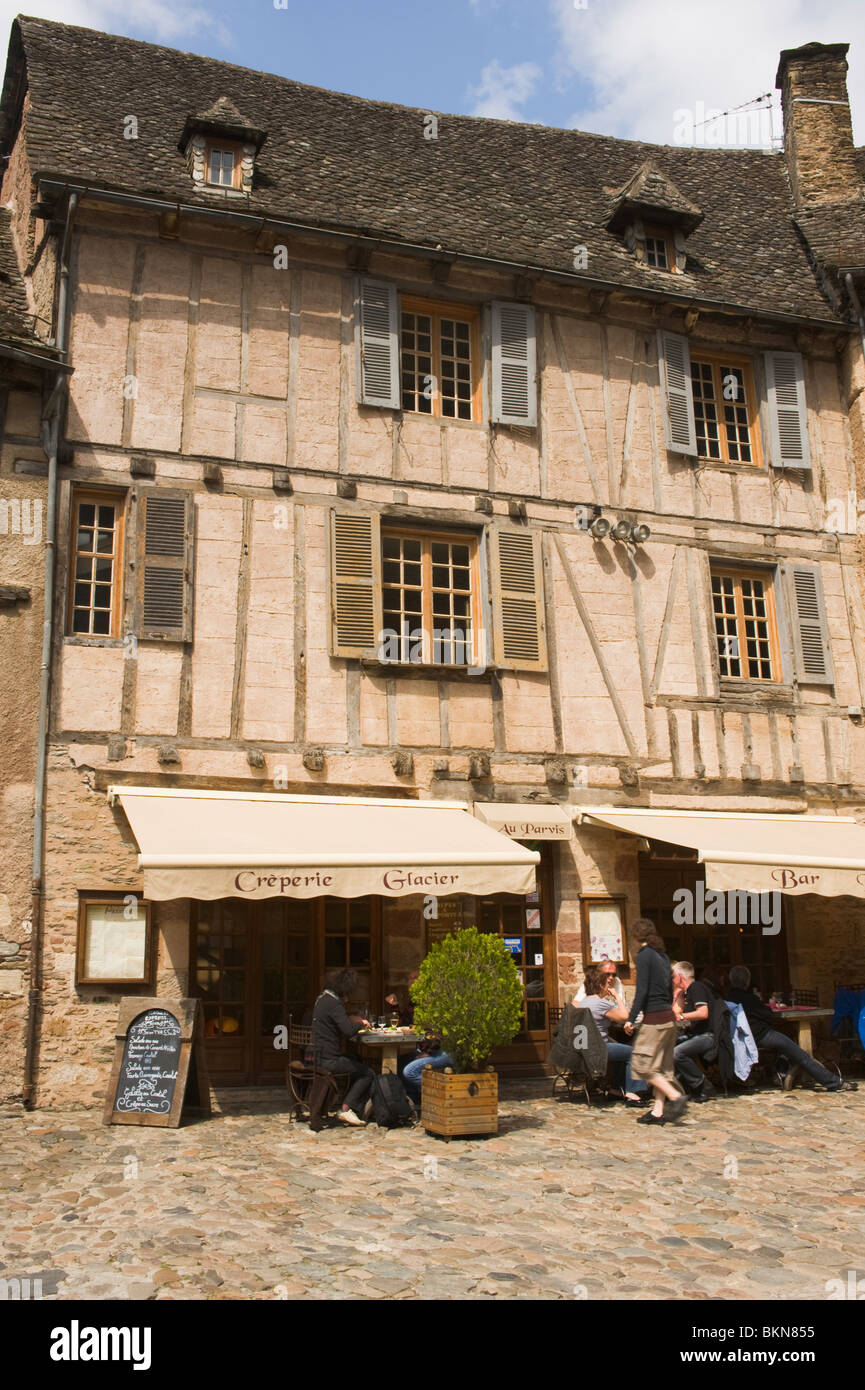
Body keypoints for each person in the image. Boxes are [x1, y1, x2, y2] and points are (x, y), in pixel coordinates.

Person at [726, 966, 857, 1094]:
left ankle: (781, 1071)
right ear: (747, 982)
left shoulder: (727, 997)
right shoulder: (749, 998)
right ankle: (834, 1082)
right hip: (760, 1036)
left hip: (740, 1038)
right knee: (801, 1055)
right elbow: (768, 1015)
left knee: (787, 1039)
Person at [624, 918, 688, 1125]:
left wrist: (630, 1019)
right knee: (661, 1068)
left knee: (641, 1065)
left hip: (654, 1020)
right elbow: (669, 989)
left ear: (635, 936)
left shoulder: (644, 956)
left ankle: (676, 1097)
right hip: (669, 1019)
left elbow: (641, 990)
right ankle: (658, 1112)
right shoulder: (662, 956)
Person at [309, 968, 376, 1128]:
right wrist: (360, 1022)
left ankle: (349, 1102)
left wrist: (349, 1018)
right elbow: (347, 1030)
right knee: (368, 1073)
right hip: (328, 1060)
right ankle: (347, 1108)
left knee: (355, 1059)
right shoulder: (334, 1003)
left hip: (317, 1056)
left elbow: (338, 1021)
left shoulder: (323, 998)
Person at [581, 964, 646, 1105]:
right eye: (606, 983)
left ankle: (615, 1089)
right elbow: (625, 1016)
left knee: (621, 1050)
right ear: (601, 985)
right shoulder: (600, 1002)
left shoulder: (584, 1002)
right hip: (599, 1050)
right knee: (633, 1053)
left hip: (585, 1049)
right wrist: (616, 996)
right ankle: (632, 1093)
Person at [672, 961, 717, 1102]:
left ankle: (703, 1085)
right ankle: (684, 1087)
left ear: (679, 976)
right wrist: (677, 994)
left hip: (708, 1036)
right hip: (696, 1034)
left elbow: (703, 1013)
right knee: (668, 1046)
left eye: (673, 976)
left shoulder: (697, 987)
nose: (671, 979)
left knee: (677, 1053)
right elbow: (675, 1012)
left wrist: (682, 1016)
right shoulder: (688, 992)